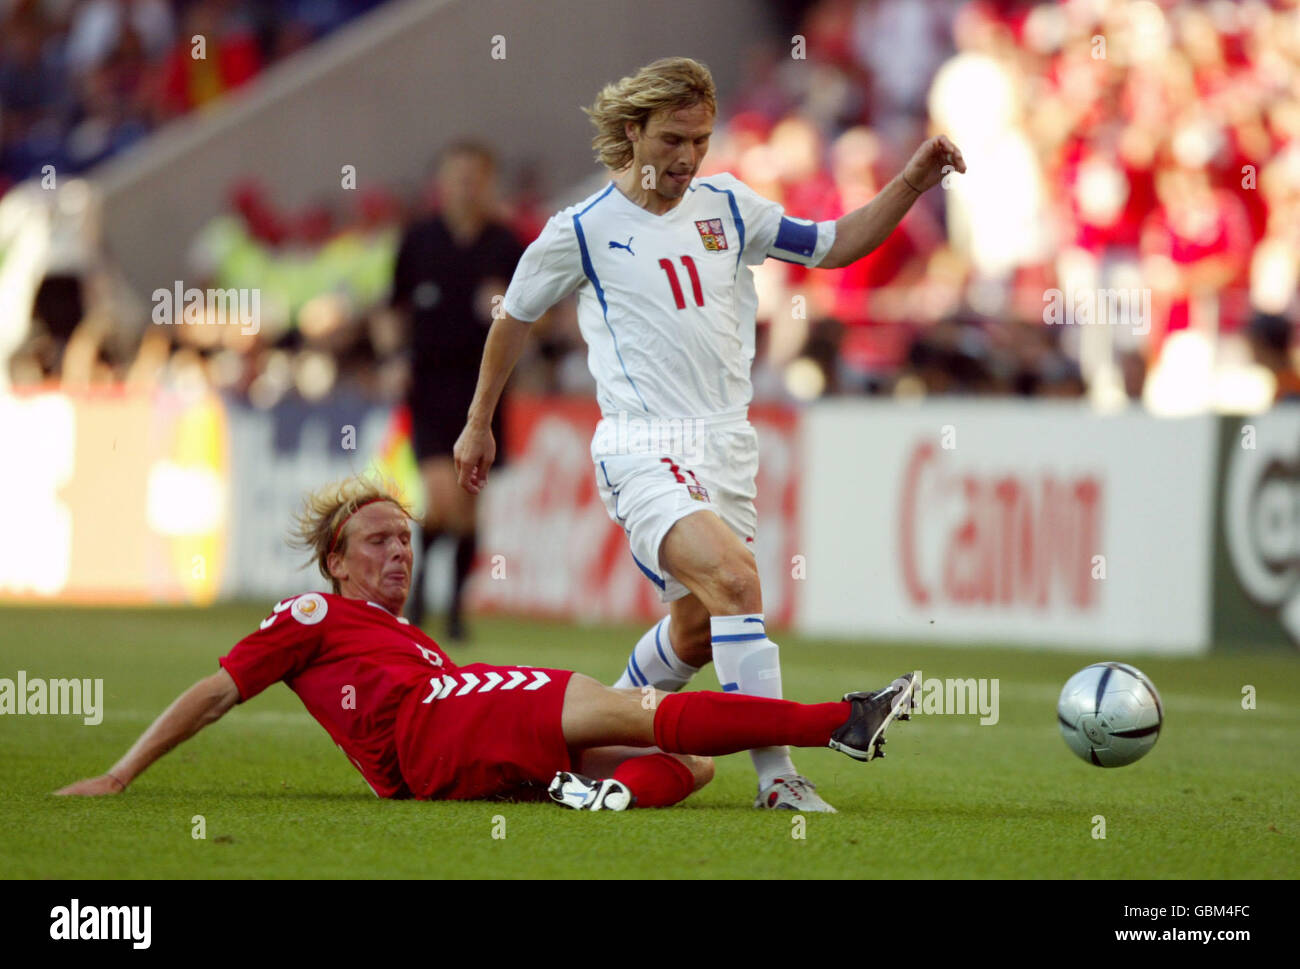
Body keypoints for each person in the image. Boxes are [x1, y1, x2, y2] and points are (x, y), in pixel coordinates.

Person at [453, 56, 963, 811]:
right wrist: (478, 421)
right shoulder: (583, 229)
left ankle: (590, 733)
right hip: (640, 446)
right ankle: (778, 777)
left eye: (700, 139)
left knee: (696, 629)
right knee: (734, 581)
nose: (688, 156)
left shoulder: (727, 206)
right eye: (672, 139)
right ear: (634, 133)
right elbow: (513, 318)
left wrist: (913, 182)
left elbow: (837, 243)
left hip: (726, 447)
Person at [53, 476, 916, 810]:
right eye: (377, 540)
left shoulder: (399, 635)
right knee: (639, 709)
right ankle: (840, 719)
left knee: (688, 765)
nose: (398, 551)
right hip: (428, 724)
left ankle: (591, 797)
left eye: (404, 538)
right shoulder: (311, 616)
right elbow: (216, 691)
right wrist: (122, 772)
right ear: (335, 564)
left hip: (446, 741)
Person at [391, 141, 524, 639]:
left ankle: (454, 609)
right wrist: (391, 358)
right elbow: (393, 308)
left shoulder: (506, 245)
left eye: (475, 177)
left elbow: (539, 313)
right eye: (456, 176)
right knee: (440, 497)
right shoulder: (418, 239)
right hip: (427, 387)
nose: (465, 186)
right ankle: (424, 590)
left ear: (488, 184)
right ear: (441, 183)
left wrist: (504, 307)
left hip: (483, 392)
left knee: (468, 510)